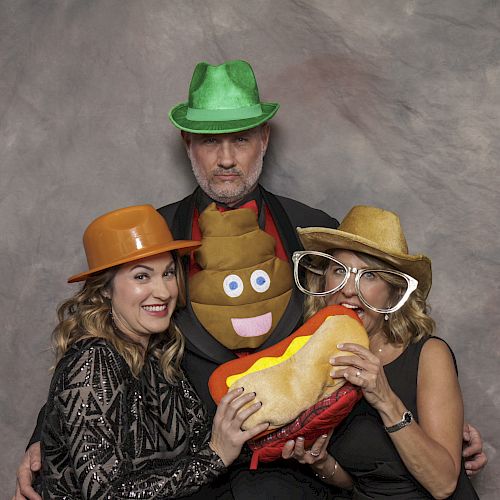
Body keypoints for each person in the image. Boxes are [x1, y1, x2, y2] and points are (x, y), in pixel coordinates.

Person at [14, 60, 486, 499]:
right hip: (193, 470)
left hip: (295, 477)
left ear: (263, 139)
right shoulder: (157, 238)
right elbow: (97, 337)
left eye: (240, 139)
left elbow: (376, 320)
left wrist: (436, 424)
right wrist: (50, 435)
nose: (225, 159)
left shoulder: (312, 232)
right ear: (187, 146)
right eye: (209, 142)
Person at [37, 204, 268, 498]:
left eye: (168, 273)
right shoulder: (93, 359)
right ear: (105, 288)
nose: (163, 291)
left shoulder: (159, 354)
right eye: (142, 277)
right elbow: (106, 493)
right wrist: (214, 459)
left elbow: (207, 442)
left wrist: (288, 437)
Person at [281, 205, 479, 498]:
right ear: (323, 280)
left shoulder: (428, 355)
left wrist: (385, 399)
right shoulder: (317, 361)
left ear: (395, 293)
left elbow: (444, 484)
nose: (349, 289)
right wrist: (322, 463)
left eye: (369, 275)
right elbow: (364, 482)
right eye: (339, 271)